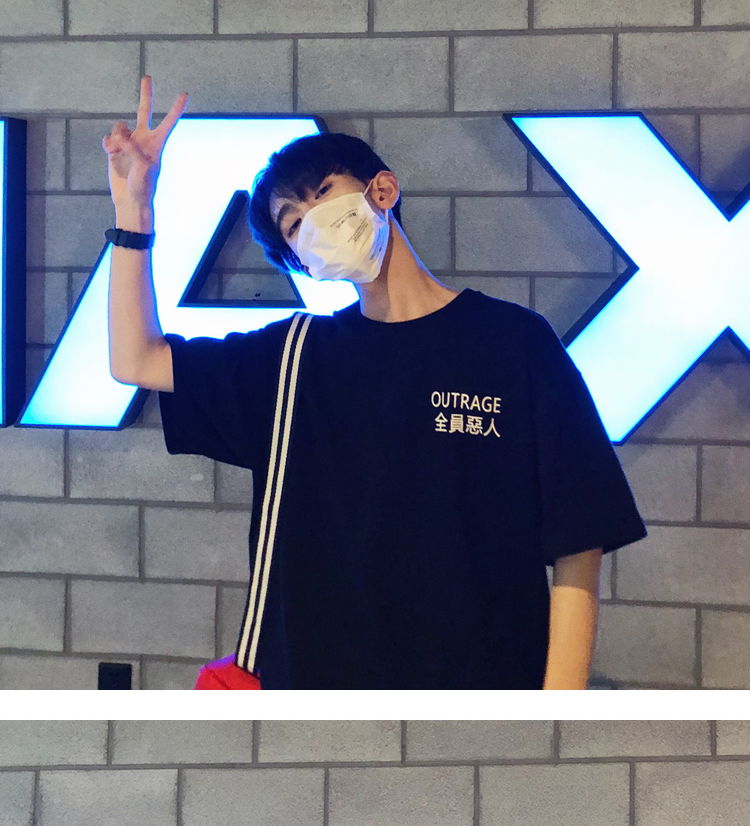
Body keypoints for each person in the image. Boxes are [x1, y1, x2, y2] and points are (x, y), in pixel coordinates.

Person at [103, 78, 647, 690]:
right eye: (293, 225)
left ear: (382, 190)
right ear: (302, 262)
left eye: (322, 195)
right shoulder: (292, 359)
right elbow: (136, 360)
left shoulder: (512, 341)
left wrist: (555, 711)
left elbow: (580, 539)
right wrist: (133, 212)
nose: (313, 223)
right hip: (317, 703)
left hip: (482, 697)